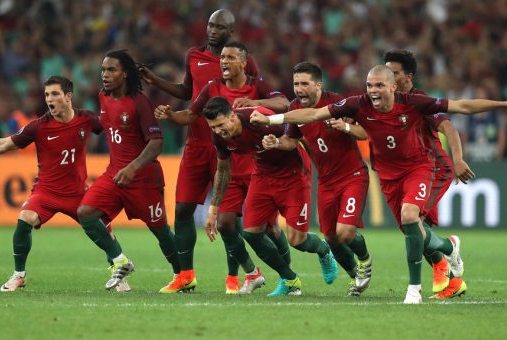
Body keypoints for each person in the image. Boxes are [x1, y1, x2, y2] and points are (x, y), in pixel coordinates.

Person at [250, 65, 507, 303]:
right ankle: (449, 247)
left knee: (409, 217)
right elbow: (311, 115)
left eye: (380, 85)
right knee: (410, 230)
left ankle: (414, 289)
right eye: (370, 85)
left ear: (393, 86)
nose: (374, 91)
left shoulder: (414, 102)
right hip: (388, 177)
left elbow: (462, 107)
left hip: (418, 168)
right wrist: (271, 120)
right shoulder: (358, 104)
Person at [139, 9, 260, 293]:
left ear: (231, 32)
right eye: (210, 24)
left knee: (229, 217)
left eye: (220, 26)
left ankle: (234, 277)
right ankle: (186, 275)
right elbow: (186, 91)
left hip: (230, 146)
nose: (213, 30)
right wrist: (155, 81)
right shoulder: (194, 55)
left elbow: (256, 93)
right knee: (182, 210)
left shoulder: (244, 60)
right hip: (196, 144)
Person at [155, 41, 290, 294]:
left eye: (230, 57)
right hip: (225, 158)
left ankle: (286, 276)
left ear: (243, 61)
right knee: (225, 223)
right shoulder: (212, 87)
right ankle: (248, 274)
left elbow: (284, 104)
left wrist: (253, 101)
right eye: (222, 58)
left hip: (256, 162)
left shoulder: (256, 84)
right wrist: (172, 116)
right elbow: (192, 114)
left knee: (269, 226)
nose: (224, 61)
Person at [0, 76, 105, 292]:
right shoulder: (39, 126)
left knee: (104, 228)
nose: (49, 98)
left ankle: (119, 268)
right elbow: (4, 143)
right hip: (47, 191)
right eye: (47, 94)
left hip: (77, 192)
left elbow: (112, 129)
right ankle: (18, 275)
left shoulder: (86, 118)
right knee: (25, 218)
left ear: (68, 96)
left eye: (54, 93)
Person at [203, 96, 338, 296]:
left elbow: (295, 137)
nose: (218, 131)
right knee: (251, 232)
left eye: (220, 125)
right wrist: (213, 209)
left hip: (293, 175)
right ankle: (290, 279)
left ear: (232, 116)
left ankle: (324, 251)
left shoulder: (258, 119)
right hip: (263, 175)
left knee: (297, 241)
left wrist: (319, 167)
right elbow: (223, 170)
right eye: (213, 127)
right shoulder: (219, 137)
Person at [262, 62, 372, 296]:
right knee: (331, 238)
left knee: (345, 233)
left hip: (352, 175)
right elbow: (291, 141)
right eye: (295, 84)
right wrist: (277, 143)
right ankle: (355, 276)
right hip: (326, 182)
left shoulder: (338, 103)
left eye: (304, 84)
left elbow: (366, 132)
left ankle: (364, 261)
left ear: (318, 85)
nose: (299, 89)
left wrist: (345, 126)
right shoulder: (294, 109)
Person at [77, 49, 180, 291]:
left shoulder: (140, 103)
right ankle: (120, 262)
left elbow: (156, 143)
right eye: (103, 69)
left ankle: (183, 274)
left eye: (112, 69)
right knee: (86, 213)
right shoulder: (103, 96)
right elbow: (108, 125)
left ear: (125, 74)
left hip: (143, 179)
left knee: (161, 233)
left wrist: (133, 168)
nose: (105, 74)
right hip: (114, 174)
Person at [384, 49, 474, 298]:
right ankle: (452, 274)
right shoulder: (386, 100)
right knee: (412, 229)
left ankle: (443, 260)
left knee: (413, 223)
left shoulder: (420, 100)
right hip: (405, 171)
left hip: (433, 168)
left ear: (408, 76)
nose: (388, 78)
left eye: (394, 73)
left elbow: (448, 127)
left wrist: (457, 159)